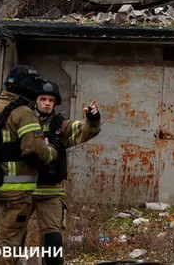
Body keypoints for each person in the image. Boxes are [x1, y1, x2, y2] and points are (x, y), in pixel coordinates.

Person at [0, 65, 58, 265]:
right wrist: (51, 150)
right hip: (15, 193)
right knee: (7, 246)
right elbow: (35, 150)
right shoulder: (23, 112)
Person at [30, 81, 102, 265]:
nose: (47, 103)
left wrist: (92, 118)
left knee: (52, 239)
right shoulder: (24, 121)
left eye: (51, 100)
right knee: (13, 236)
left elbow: (85, 130)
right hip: (22, 190)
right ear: (36, 101)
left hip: (50, 191)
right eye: (43, 99)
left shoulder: (60, 125)